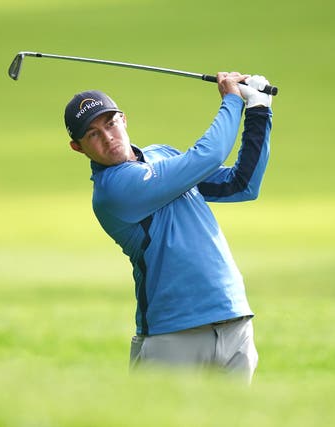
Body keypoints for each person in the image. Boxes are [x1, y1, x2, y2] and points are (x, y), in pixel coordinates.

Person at [63, 72, 273, 383]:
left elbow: (242, 185)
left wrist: (258, 111)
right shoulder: (113, 191)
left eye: (110, 124)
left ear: (123, 119)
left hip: (233, 319)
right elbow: (209, 156)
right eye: (93, 134)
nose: (107, 137)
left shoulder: (163, 156)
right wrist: (231, 100)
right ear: (78, 147)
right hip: (172, 336)